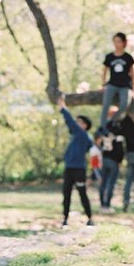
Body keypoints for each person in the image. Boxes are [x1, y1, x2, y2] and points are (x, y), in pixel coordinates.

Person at [57, 96, 94, 227]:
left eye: (79, 122)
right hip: (69, 168)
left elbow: (70, 122)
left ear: (85, 126)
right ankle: (65, 219)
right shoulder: (78, 136)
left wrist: (63, 108)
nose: (76, 124)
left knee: (82, 193)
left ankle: (90, 218)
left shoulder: (82, 135)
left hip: (79, 169)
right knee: (66, 194)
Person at [101, 32, 134, 127]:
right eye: (115, 42)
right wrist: (103, 84)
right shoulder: (109, 57)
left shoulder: (128, 57)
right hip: (112, 84)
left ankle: (112, 121)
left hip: (125, 85)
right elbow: (104, 71)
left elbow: (132, 73)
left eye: (119, 41)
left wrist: (133, 88)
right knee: (106, 104)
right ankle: (103, 126)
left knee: (124, 105)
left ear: (124, 43)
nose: (117, 44)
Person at [96, 113, 124, 211]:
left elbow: (97, 137)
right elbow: (120, 148)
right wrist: (120, 160)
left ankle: (102, 204)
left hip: (105, 158)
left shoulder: (103, 128)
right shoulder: (118, 128)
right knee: (110, 183)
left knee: (103, 182)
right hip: (113, 160)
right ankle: (106, 205)